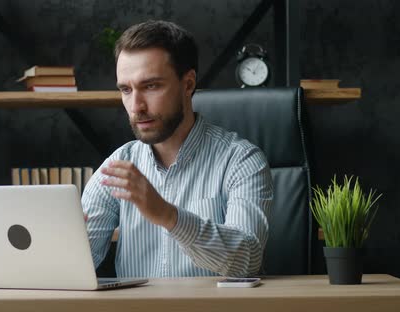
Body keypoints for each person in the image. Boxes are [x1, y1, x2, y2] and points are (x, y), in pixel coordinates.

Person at [82, 20, 273, 278]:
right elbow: (73, 267)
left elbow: (247, 260)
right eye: (126, 90)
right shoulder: (118, 165)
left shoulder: (241, 160)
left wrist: (168, 215)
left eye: (151, 86)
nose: (136, 106)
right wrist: (63, 246)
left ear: (188, 84)